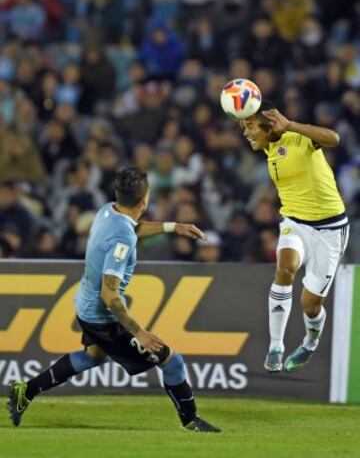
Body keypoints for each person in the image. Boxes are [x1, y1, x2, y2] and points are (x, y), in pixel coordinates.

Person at [7, 167, 221, 433]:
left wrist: (174, 227)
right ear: (145, 201)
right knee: (171, 360)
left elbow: (133, 227)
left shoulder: (109, 210)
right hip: (102, 317)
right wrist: (139, 333)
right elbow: (109, 295)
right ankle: (191, 420)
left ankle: (26, 391)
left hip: (84, 305)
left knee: (93, 357)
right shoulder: (122, 238)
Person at [240, 102, 349, 373]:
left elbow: (334, 139)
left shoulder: (298, 138)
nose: (246, 133)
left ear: (268, 124)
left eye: (250, 126)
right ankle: (275, 346)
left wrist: (290, 125)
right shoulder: (267, 147)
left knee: (310, 306)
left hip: (331, 229)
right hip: (295, 223)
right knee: (285, 267)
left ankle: (310, 342)